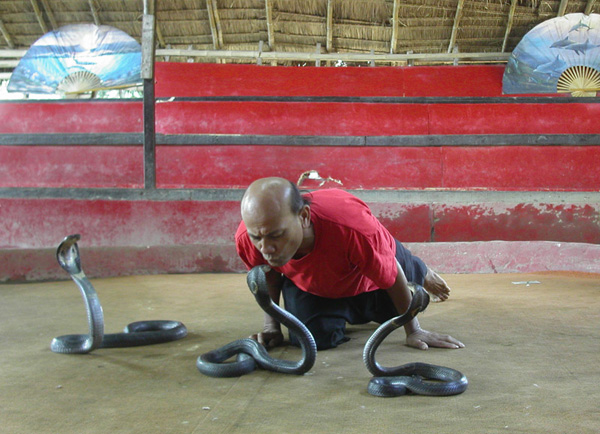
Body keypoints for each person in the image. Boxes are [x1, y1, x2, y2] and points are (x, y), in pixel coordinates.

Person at [235, 177, 464, 351]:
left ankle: (417, 267)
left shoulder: (352, 228)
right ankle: (349, 304)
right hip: (313, 280)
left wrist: (414, 331)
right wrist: (272, 327)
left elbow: (392, 275)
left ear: (303, 217)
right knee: (312, 339)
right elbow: (268, 278)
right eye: (258, 238)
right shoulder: (250, 236)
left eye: (276, 236)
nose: (266, 248)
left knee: (399, 307)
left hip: (361, 254)